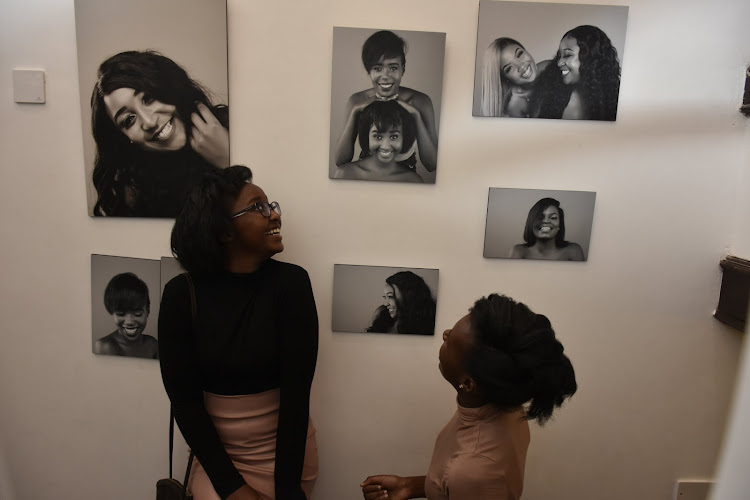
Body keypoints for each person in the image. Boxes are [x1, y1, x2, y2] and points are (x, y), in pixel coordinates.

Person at [159, 166, 318, 500]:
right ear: (224, 232)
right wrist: (232, 488)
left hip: (284, 458)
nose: (274, 214)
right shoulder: (180, 294)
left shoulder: (291, 285)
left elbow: (296, 397)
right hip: (217, 459)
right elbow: (185, 403)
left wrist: (287, 492)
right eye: (259, 207)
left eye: (270, 205)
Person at [361, 294, 577, 499]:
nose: (445, 333)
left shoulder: (475, 468)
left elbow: (469, 479)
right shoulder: (503, 403)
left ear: (468, 383)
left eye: (450, 341)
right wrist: (410, 486)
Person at [91, 50, 230, 217]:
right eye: (129, 120)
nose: (149, 122)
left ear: (169, 88)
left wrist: (227, 160)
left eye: (148, 98)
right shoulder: (136, 194)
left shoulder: (234, 126)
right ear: (123, 139)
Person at [334, 30, 438, 172]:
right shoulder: (357, 100)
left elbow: (432, 165)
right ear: (368, 71)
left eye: (393, 68)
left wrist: (416, 115)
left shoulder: (420, 101)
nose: (385, 76)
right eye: (377, 68)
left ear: (403, 69)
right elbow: (340, 161)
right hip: (366, 172)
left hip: (405, 175)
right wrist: (355, 112)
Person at [537, 25, 621, 121]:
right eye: (559, 55)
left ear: (590, 59)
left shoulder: (613, 100)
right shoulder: (545, 69)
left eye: (567, 55)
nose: (559, 62)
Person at [335, 101, 423, 183]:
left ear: (404, 137)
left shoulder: (414, 180)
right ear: (366, 136)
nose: (385, 146)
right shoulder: (345, 174)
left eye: (393, 137)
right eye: (378, 136)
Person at [479, 37, 551, 118]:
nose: (521, 66)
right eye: (509, 68)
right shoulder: (515, 104)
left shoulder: (547, 67)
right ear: (505, 78)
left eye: (520, 54)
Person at [95, 272, 158, 359]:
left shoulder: (153, 345)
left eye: (137, 314)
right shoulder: (103, 347)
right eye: (121, 314)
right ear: (111, 312)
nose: (129, 322)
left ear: (148, 311)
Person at [509, 197, 585, 261]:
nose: (546, 221)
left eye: (553, 217)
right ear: (531, 223)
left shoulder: (574, 250)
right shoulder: (518, 251)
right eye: (540, 217)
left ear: (559, 225)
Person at [366, 271, 436, 335]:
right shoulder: (381, 314)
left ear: (409, 297)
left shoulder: (430, 323)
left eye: (390, 296)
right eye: (385, 297)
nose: (385, 304)